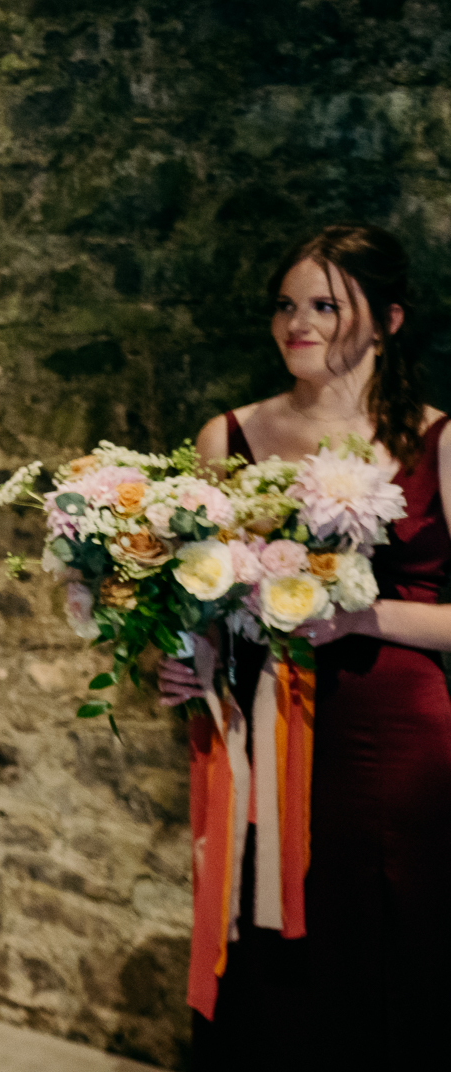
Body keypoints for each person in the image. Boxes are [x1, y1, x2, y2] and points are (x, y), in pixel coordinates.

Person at [161, 225, 451, 1069]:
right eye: (288, 305)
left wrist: (363, 619)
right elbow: (206, 604)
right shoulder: (231, 437)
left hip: (396, 739)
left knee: (398, 940)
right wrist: (190, 667)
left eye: (327, 304)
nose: (300, 322)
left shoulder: (437, 441)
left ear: (389, 319)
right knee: (274, 942)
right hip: (265, 727)